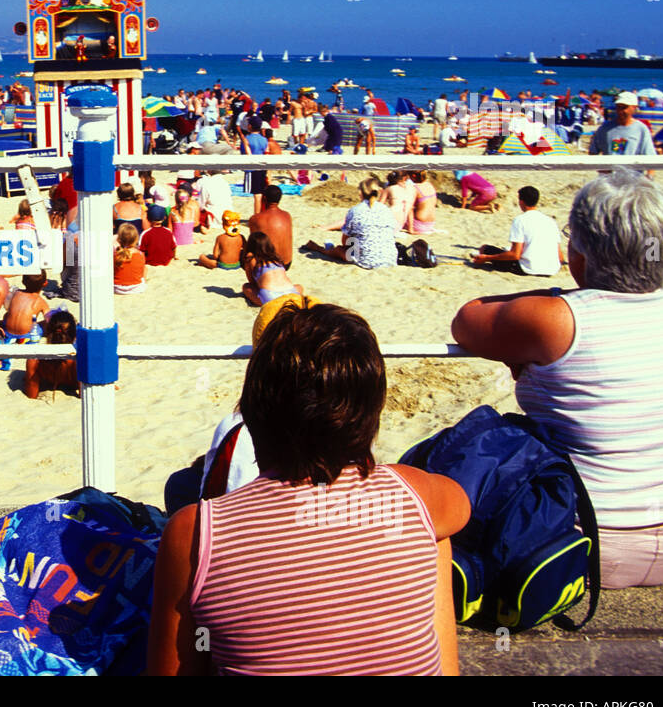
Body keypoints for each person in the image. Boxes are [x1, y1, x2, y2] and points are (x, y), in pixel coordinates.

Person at [148, 302, 470, 675]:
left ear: (251, 407)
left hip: (225, 538)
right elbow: (460, 504)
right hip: (401, 506)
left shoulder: (193, 532)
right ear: (372, 412)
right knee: (434, 531)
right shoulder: (413, 491)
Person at [452, 171, 663, 588]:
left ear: (581, 257)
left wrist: (548, 306)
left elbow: (467, 319)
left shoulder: (558, 319)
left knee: (482, 436)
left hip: (583, 546)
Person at [302, 177, 398, 269]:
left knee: (340, 250)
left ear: (360, 193)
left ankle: (319, 249)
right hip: (390, 259)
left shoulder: (355, 210)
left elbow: (345, 242)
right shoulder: (387, 210)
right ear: (379, 192)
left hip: (366, 261)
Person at [470, 186, 565, 276]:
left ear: (521, 202)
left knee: (485, 249)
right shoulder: (550, 221)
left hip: (528, 268)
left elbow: (515, 255)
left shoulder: (520, 220)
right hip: (552, 269)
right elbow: (560, 257)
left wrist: (487, 258)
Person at [589, 91, 656, 172]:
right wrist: (601, 170)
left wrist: (650, 176)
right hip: (610, 180)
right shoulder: (605, 128)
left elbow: (650, 156)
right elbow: (593, 152)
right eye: (618, 107)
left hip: (633, 178)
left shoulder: (641, 129)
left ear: (634, 107)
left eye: (624, 107)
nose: (620, 111)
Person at [24, 309, 79, 399]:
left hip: (48, 377)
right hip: (73, 381)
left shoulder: (34, 361)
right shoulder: (78, 361)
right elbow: (83, 395)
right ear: (74, 334)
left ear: (47, 332)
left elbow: (31, 395)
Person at [241, 232, 302, 307]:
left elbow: (252, 281)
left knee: (246, 287)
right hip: (290, 294)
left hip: (271, 298)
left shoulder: (251, 257)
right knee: (299, 287)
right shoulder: (276, 257)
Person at [247, 185, 293, 270]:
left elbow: (253, 244)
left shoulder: (255, 219)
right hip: (287, 263)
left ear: (264, 198)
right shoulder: (287, 215)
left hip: (269, 265)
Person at [1, 273, 50, 340]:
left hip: (7, 332)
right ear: (45, 283)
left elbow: (6, 305)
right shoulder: (41, 302)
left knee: (7, 315)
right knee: (45, 324)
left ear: (23, 281)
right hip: (26, 336)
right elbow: (50, 321)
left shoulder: (15, 293)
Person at [113, 223, 148, 294]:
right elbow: (142, 271)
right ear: (136, 239)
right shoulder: (140, 254)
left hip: (117, 288)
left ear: (119, 240)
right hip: (136, 288)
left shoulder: (115, 254)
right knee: (145, 268)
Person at [407, 170, 438, 234]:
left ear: (413, 176)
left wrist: (410, 229)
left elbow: (410, 209)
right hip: (431, 224)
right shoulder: (429, 185)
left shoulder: (415, 188)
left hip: (419, 224)